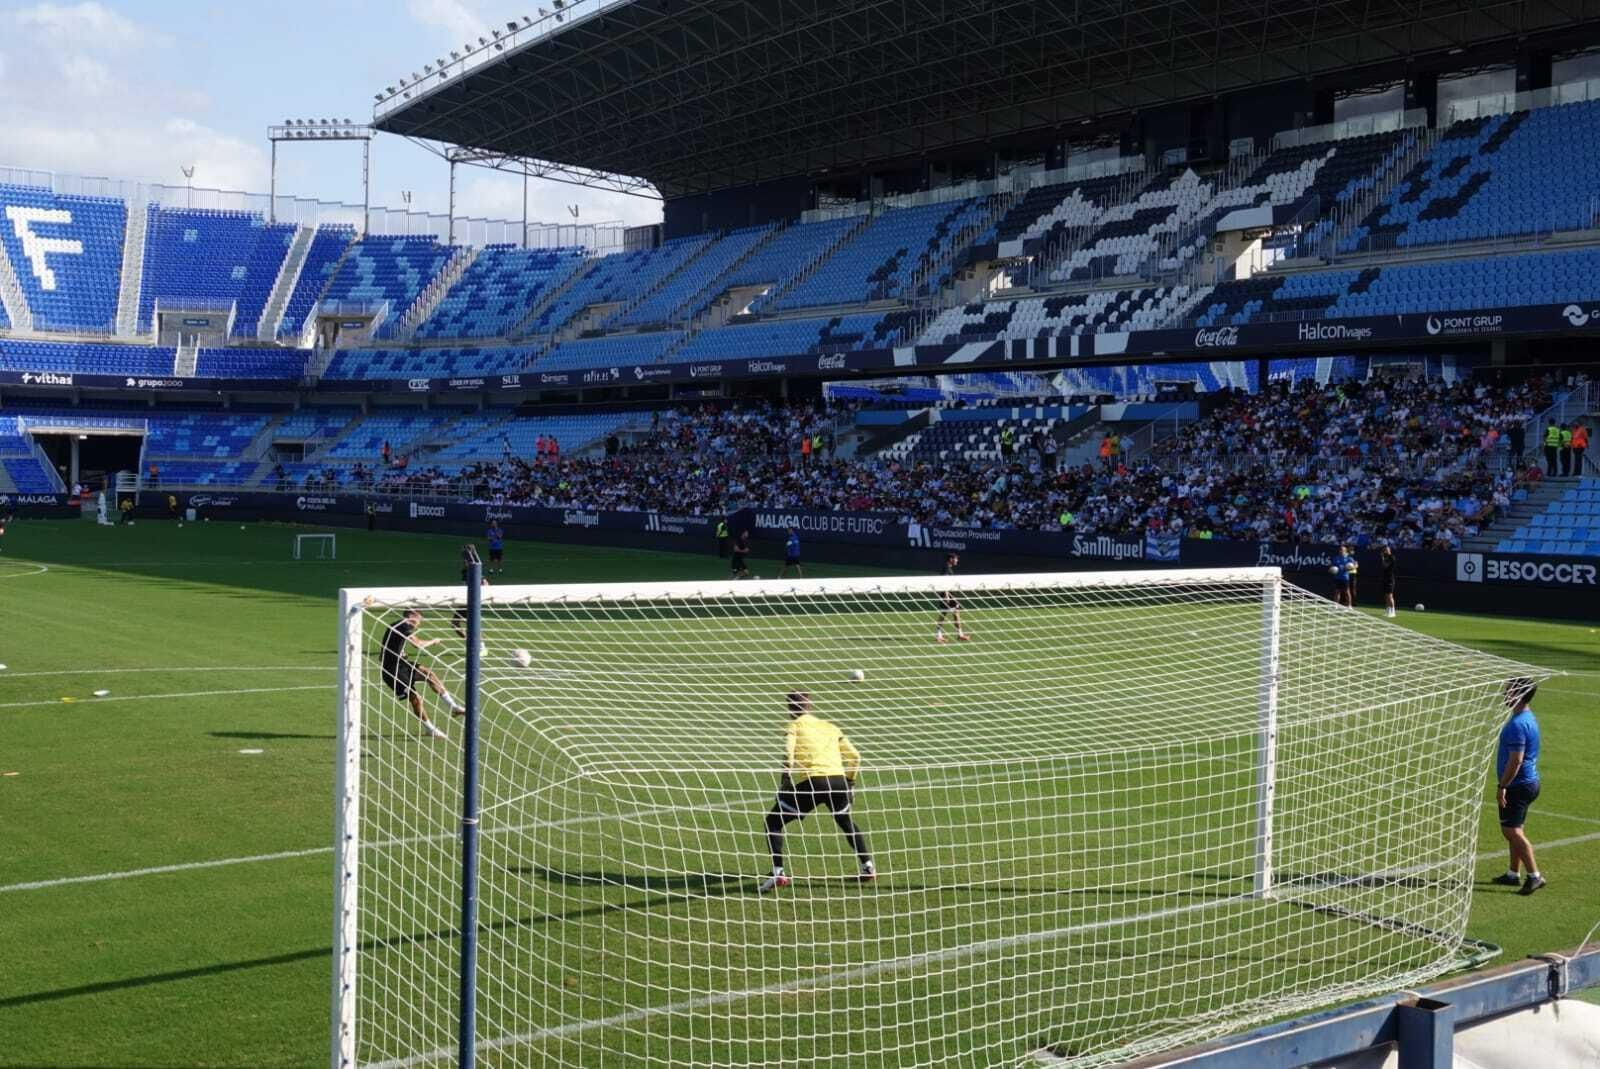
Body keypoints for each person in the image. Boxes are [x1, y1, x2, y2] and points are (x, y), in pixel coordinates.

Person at [757, 691, 875, 893]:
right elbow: (855, 756)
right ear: (809, 706)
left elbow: (788, 752)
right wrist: (850, 784)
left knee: (773, 822)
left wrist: (785, 778)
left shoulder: (794, 726)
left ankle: (778, 872)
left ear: (790, 709)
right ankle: (868, 866)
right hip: (838, 782)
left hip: (814, 782)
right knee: (845, 821)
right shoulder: (830, 726)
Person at [379, 609, 466, 739]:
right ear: (412, 616)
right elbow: (417, 644)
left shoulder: (396, 625)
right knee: (416, 698)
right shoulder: (403, 626)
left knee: (429, 674)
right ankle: (429, 729)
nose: (420, 623)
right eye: (420, 619)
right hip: (392, 671)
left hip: (402, 664)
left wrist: (396, 653)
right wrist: (433, 641)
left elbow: (384, 651)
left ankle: (453, 707)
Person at [1492, 678, 1544, 895]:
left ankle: (1535, 876)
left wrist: (1503, 785)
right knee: (1516, 829)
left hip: (1518, 785)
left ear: (1519, 694)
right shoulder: (1527, 717)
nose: (1505, 694)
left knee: (1511, 831)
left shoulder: (1517, 724)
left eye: (1509, 691)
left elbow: (1516, 760)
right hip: (1529, 782)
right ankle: (1513, 874)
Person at [935, 552, 970, 643]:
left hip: (949, 595)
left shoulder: (948, 567)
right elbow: (944, 581)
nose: (957, 560)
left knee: (951, 613)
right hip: (948, 595)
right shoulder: (946, 568)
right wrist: (946, 595)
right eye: (956, 559)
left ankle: (958, 635)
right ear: (951, 559)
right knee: (946, 614)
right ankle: (941, 635)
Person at [1378, 544, 1397, 619]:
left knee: (1390, 596)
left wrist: (1382, 558)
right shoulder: (1385, 557)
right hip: (1385, 578)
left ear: (1389, 550)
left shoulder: (1392, 557)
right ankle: (1388, 611)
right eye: (1385, 550)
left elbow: (1385, 566)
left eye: (1387, 549)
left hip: (1390, 579)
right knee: (1386, 596)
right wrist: (1383, 557)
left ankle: (1393, 612)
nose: (1386, 551)